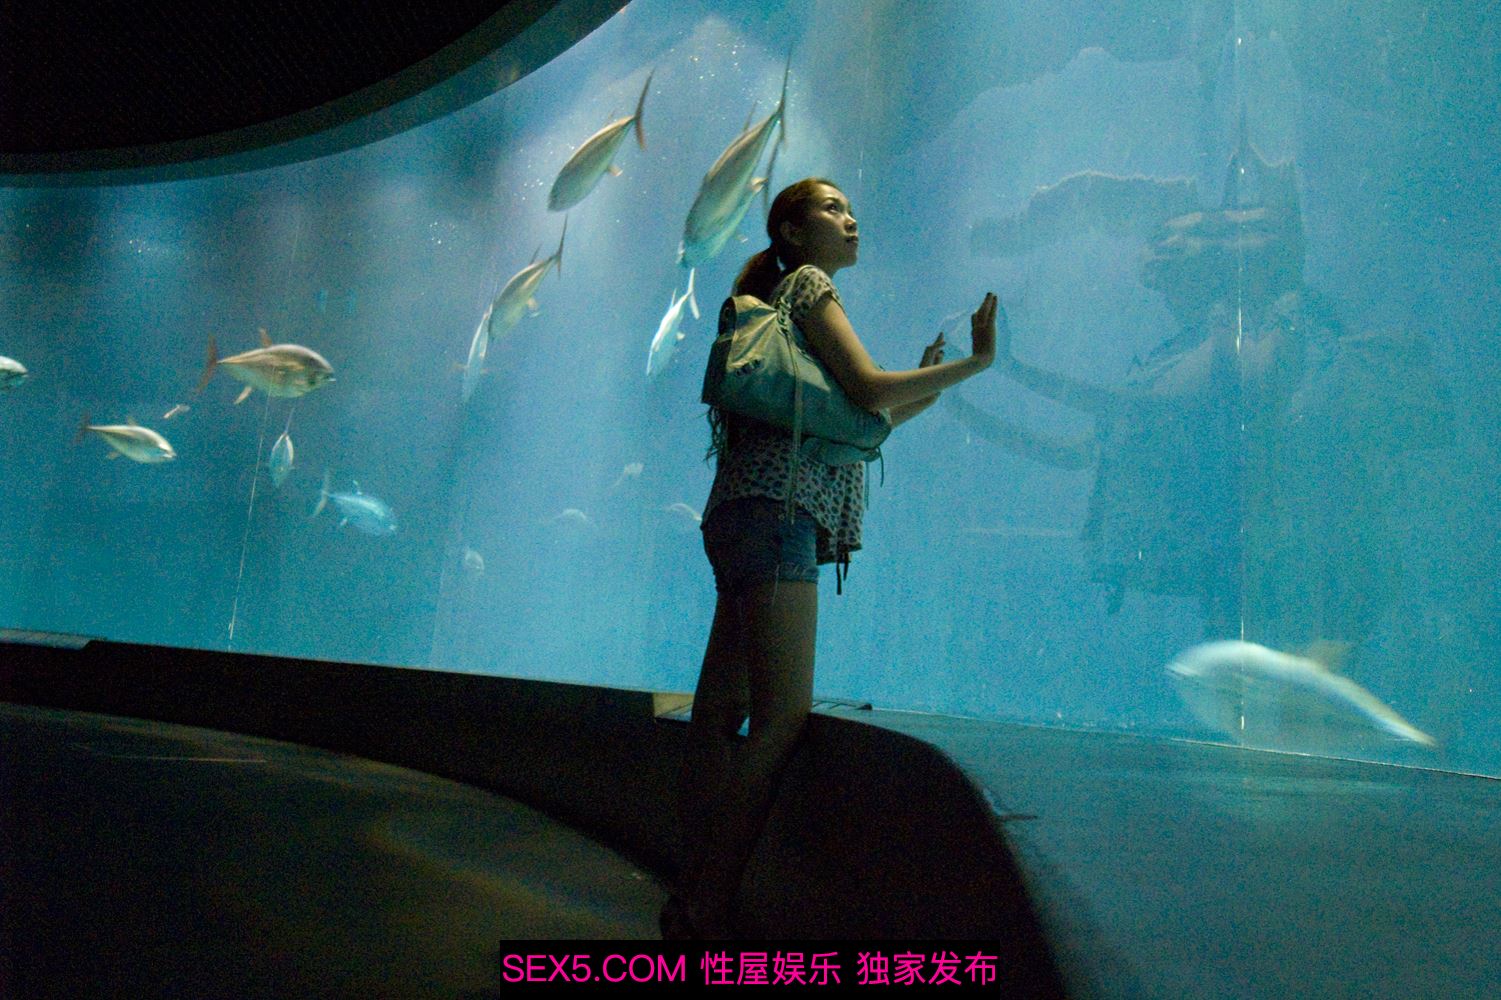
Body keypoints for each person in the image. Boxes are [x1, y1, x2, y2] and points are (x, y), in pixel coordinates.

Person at [663, 178, 998, 938]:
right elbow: (871, 390)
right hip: (780, 516)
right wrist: (976, 362)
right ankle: (708, 904)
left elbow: (855, 420)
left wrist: (926, 388)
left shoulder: (780, 299)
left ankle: (687, 884)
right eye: (831, 209)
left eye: (851, 209)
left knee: (718, 713)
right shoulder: (809, 285)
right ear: (791, 231)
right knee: (780, 715)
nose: (850, 220)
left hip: (740, 512)